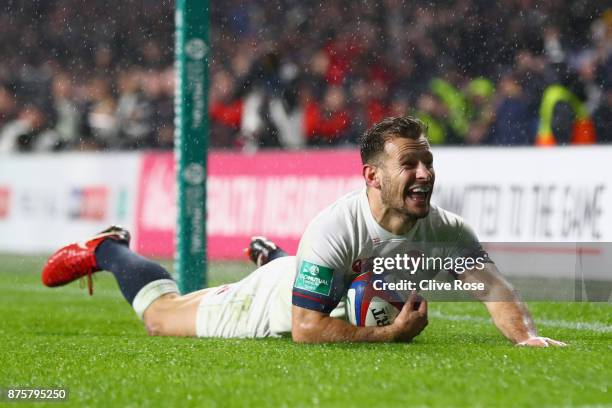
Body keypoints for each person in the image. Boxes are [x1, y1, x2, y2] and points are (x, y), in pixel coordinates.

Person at [41, 116, 565, 347]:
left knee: (321, 278)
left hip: (315, 275)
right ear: (372, 176)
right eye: (410, 164)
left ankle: (275, 256)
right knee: (160, 318)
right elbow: (306, 330)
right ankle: (109, 248)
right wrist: (388, 335)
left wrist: (527, 337)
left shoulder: (446, 230)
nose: (425, 173)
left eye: (428, 162)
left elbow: (492, 286)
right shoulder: (336, 225)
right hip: (270, 305)